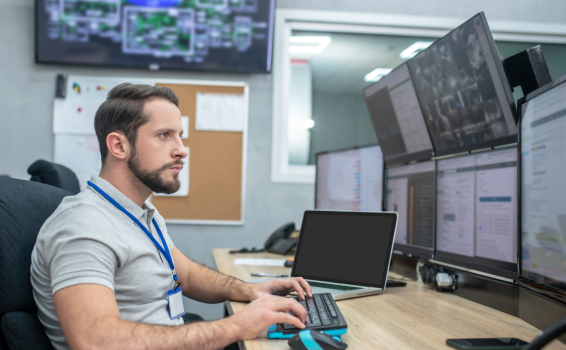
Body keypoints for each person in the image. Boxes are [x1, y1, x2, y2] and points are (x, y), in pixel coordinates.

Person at [31, 83, 311, 350]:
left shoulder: (140, 212)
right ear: (118, 146)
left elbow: (186, 274)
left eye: (180, 135)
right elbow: (95, 341)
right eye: (164, 135)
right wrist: (235, 326)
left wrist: (249, 290)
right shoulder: (84, 226)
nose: (182, 150)